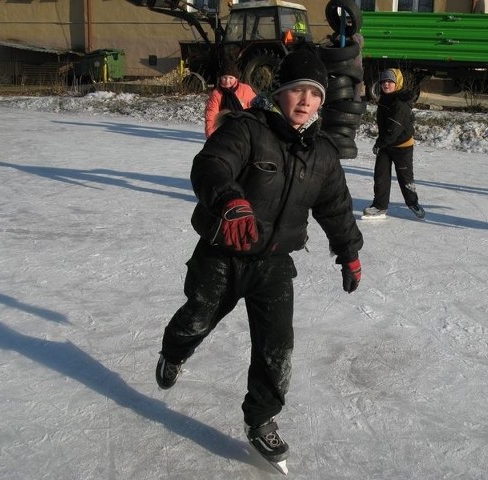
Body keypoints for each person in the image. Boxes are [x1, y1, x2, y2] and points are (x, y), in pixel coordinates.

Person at [155, 48, 364, 465]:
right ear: (279, 93)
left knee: (277, 345)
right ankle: (174, 352)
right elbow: (211, 163)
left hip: (273, 263)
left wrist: (349, 252)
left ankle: (262, 419)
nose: (306, 101)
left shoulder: (322, 154)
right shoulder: (248, 130)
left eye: (315, 94)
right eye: (297, 91)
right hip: (223, 253)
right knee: (197, 316)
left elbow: (336, 208)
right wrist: (230, 199)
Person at [363, 68, 425, 219]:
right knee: (381, 176)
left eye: (390, 81)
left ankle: (412, 203)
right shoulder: (385, 98)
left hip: (402, 146)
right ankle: (380, 206)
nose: (386, 84)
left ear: (397, 83)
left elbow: (394, 129)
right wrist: (382, 142)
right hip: (387, 144)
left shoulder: (400, 103)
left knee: (405, 177)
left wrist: (380, 143)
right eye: (384, 81)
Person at [204, 62, 256, 138]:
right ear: (220, 78)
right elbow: (211, 114)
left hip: (245, 128)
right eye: (224, 78)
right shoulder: (216, 94)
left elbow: (255, 109)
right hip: (224, 129)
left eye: (231, 78)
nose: (227, 81)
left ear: (236, 78)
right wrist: (211, 134)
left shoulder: (245, 90)